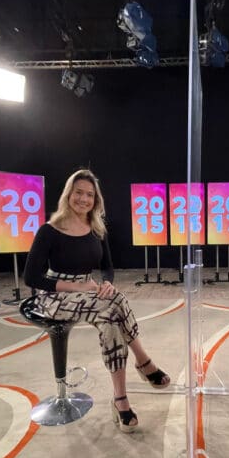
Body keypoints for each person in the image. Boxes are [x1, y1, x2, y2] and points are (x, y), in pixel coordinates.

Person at [23, 169, 170, 434]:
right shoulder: (49, 230)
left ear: (96, 199)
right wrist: (76, 286)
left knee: (114, 302)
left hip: (87, 289)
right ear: (68, 194)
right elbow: (31, 277)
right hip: (55, 295)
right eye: (78, 192)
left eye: (89, 194)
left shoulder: (97, 229)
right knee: (111, 310)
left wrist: (107, 283)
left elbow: (108, 268)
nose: (83, 199)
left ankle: (122, 394)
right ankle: (141, 367)